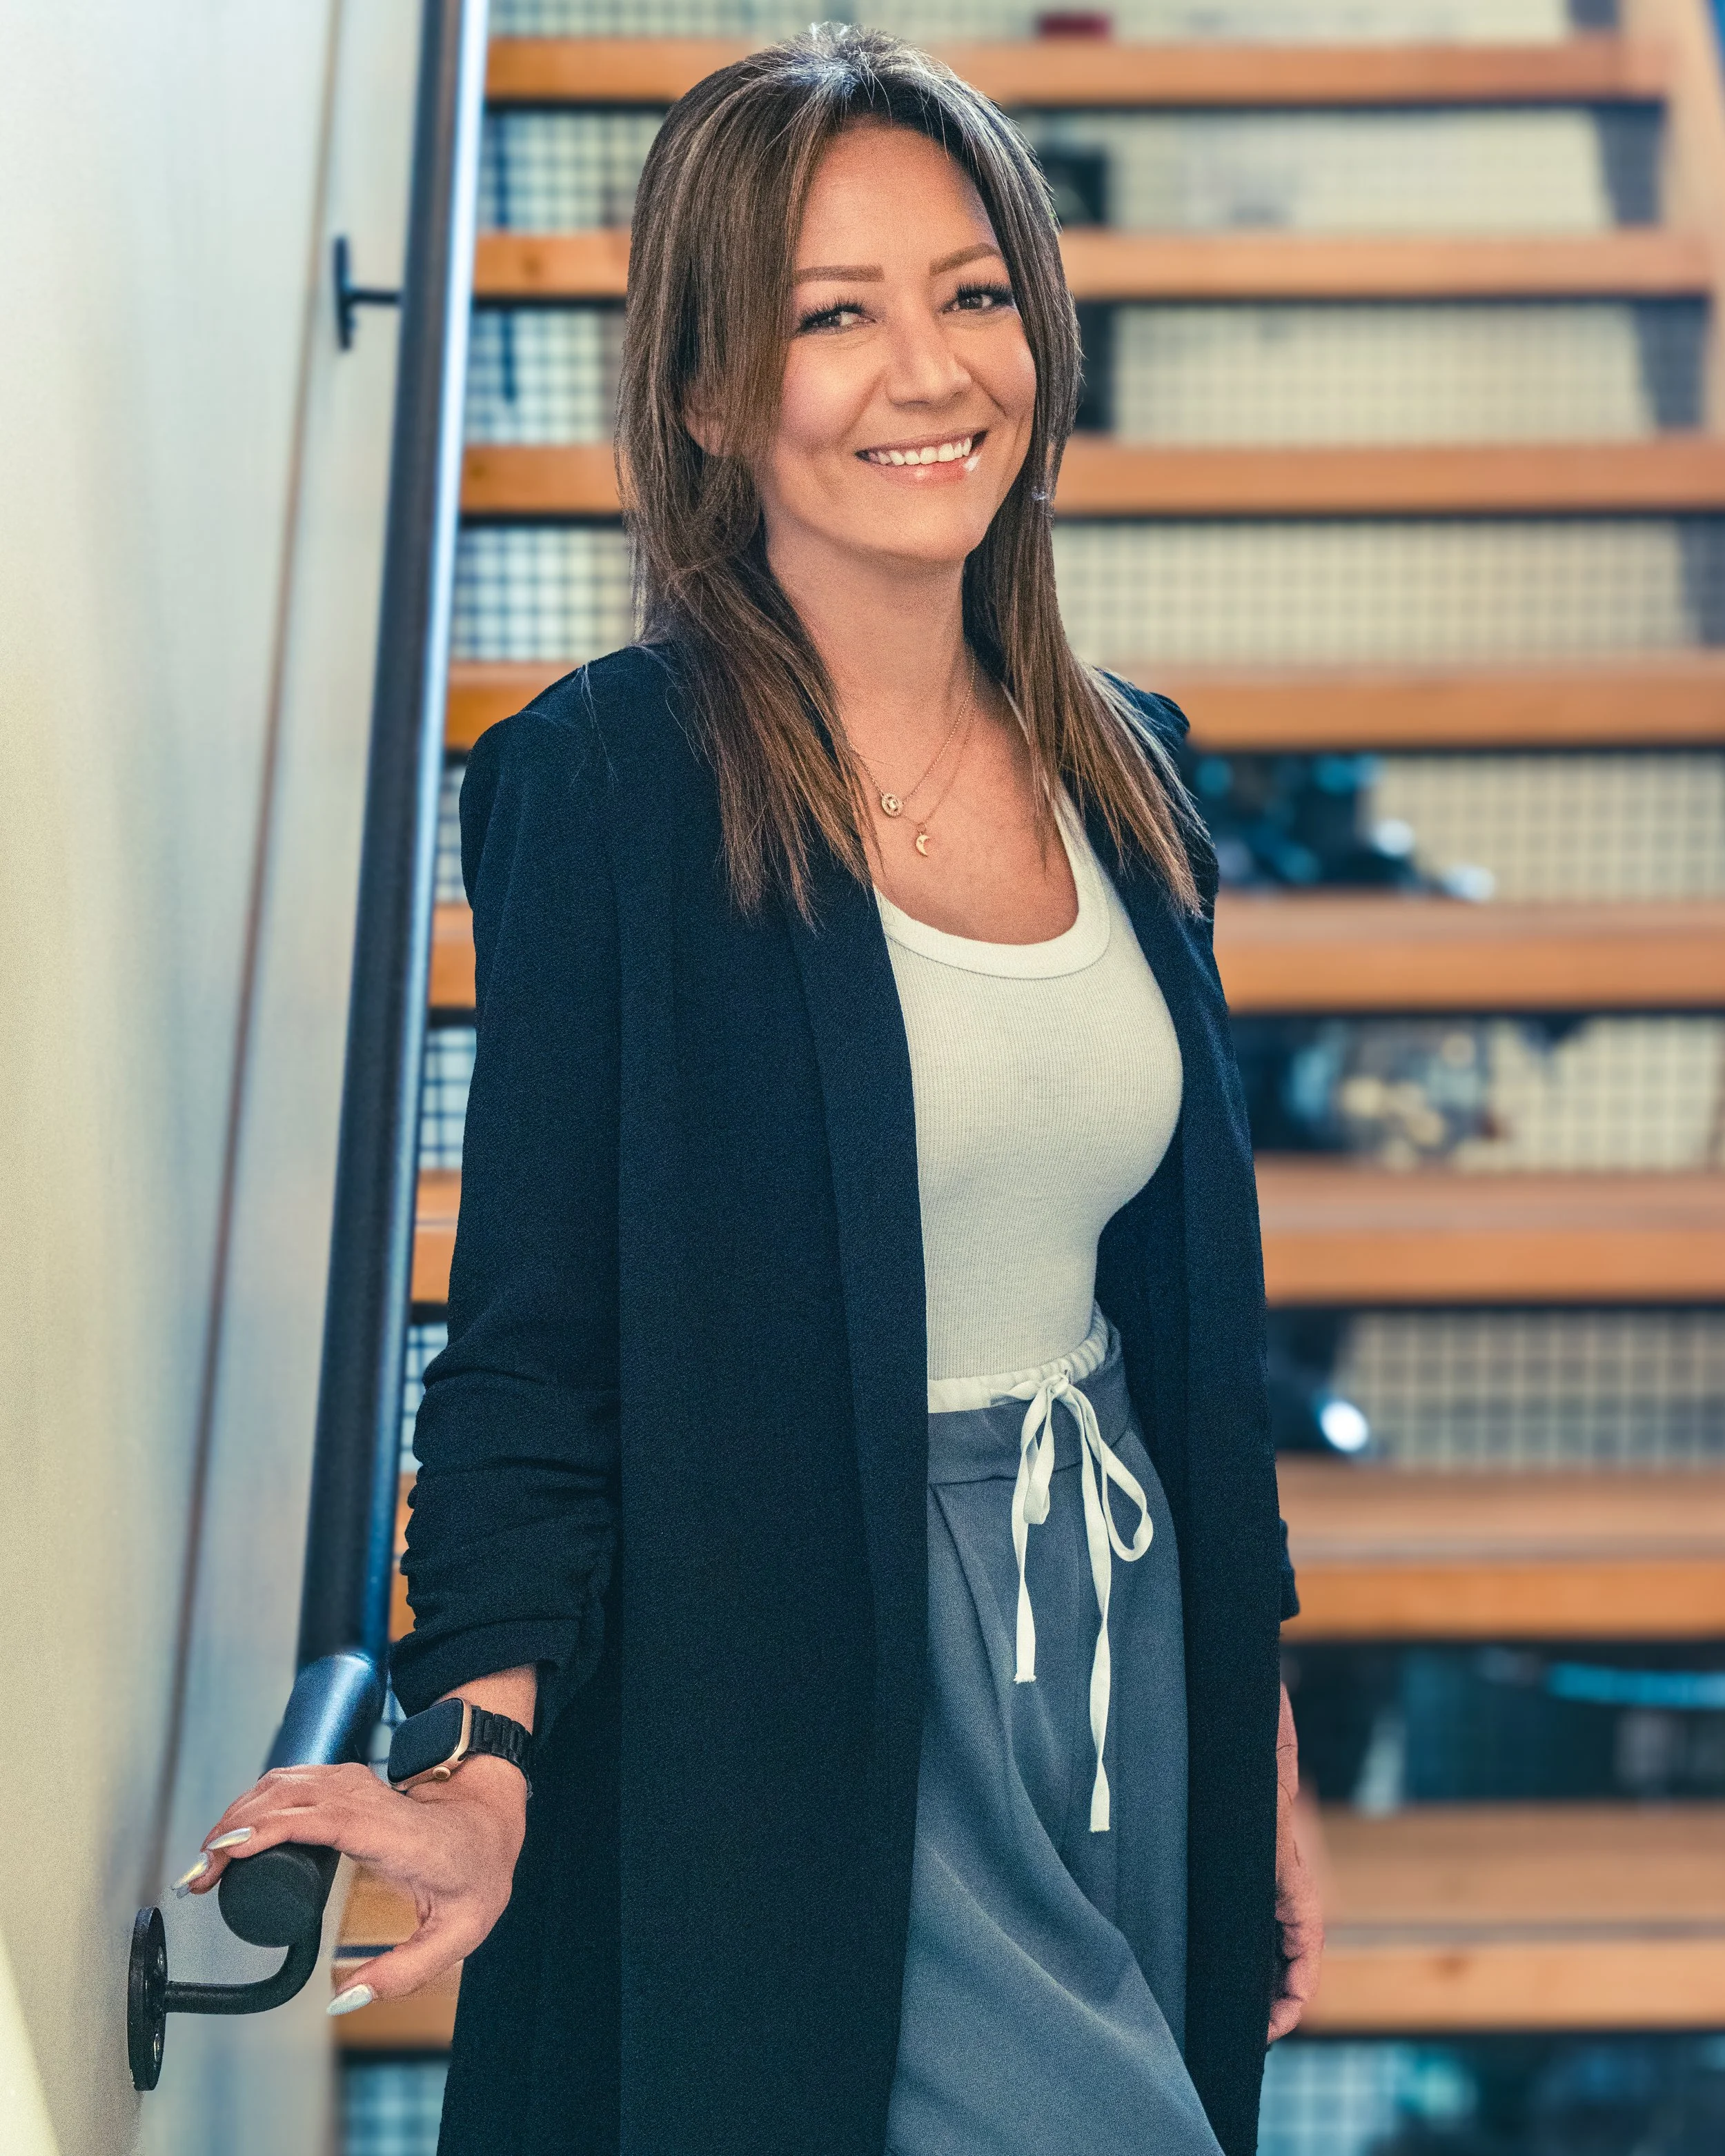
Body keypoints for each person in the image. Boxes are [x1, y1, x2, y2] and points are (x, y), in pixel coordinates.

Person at [185, 27, 1321, 2155]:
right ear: (711, 394)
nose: (929, 370)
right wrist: (477, 1752)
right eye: (831, 315)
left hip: (1115, 1624)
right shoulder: (604, 784)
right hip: (790, 1656)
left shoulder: (1129, 765)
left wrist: (1248, 1731)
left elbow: (1192, 1326)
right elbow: (529, 1339)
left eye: (973, 293)